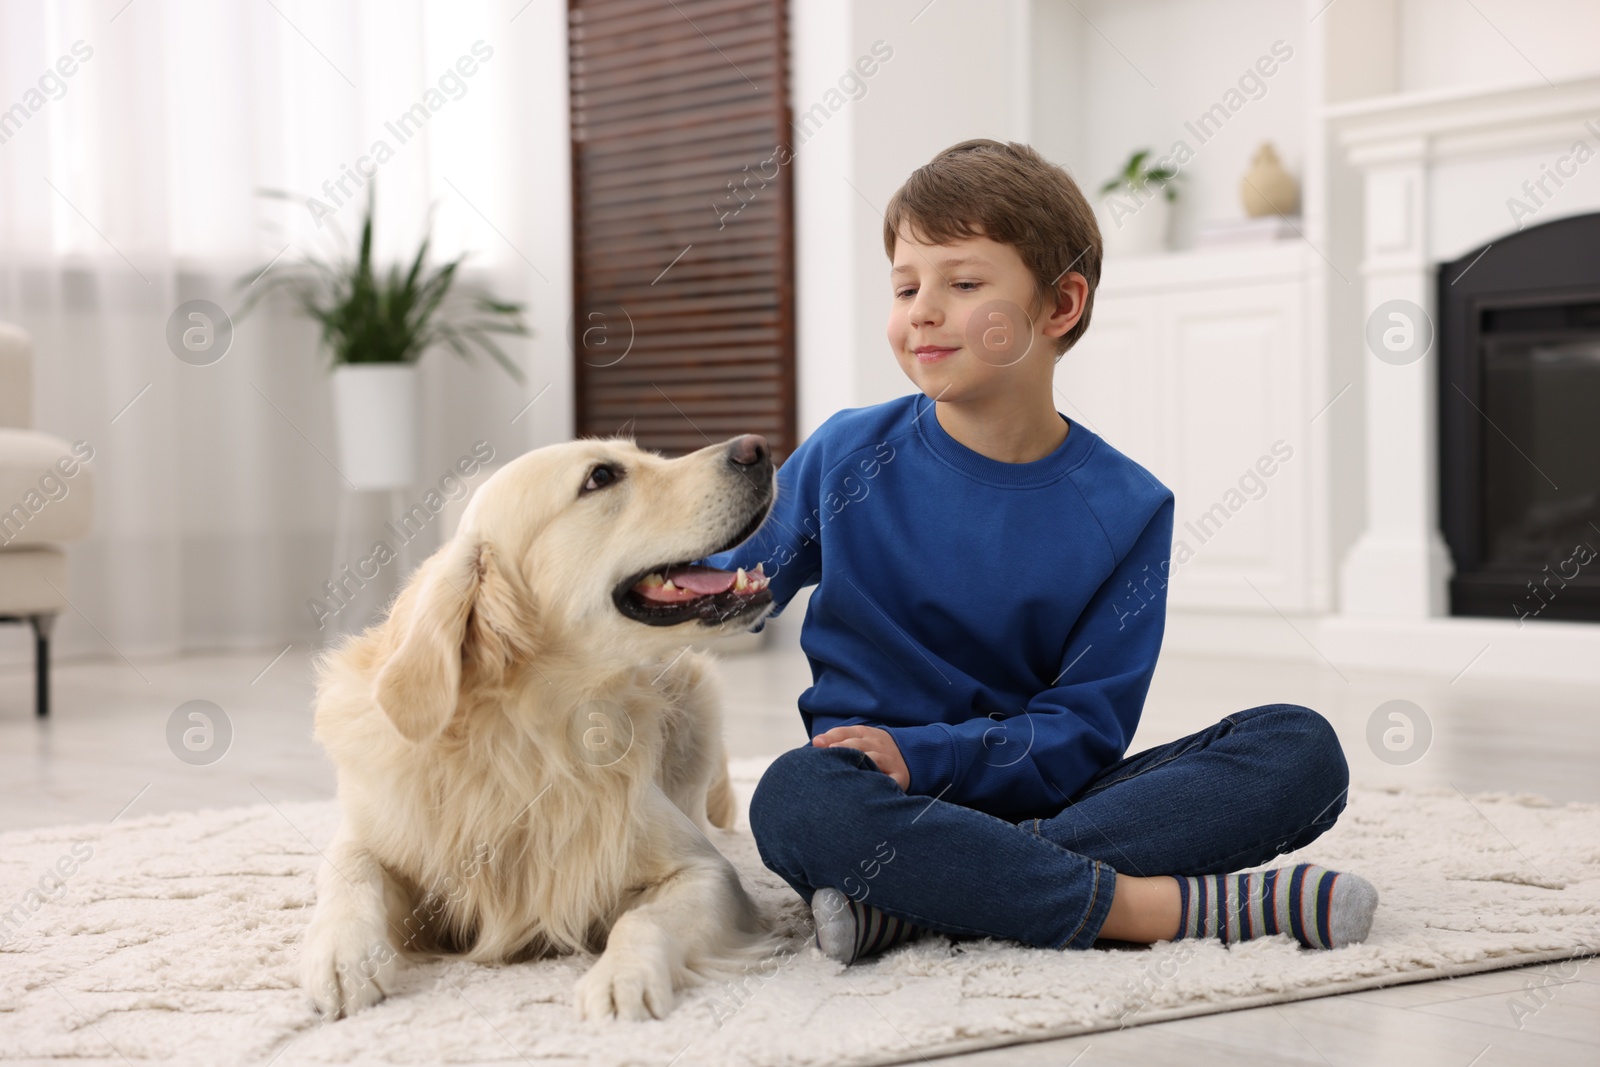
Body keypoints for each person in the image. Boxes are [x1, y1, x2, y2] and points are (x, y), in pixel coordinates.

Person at [702, 139, 1377, 965]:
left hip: (1045, 796)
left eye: (963, 283)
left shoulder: (1129, 508)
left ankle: (924, 899)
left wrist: (928, 758)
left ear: (1059, 306)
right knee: (796, 797)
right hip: (865, 792)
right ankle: (1152, 908)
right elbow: (742, 584)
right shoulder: (847, 452)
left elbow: (1083, 728)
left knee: (1300, 748)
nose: (922, 309)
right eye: (907, 285)